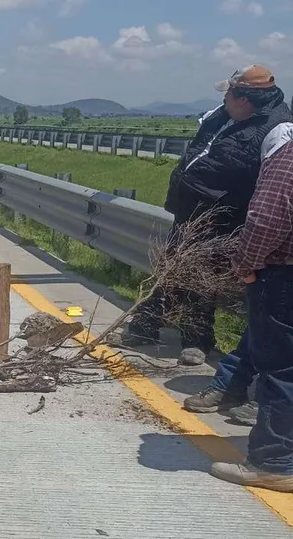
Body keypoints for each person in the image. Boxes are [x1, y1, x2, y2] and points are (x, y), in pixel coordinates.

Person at [121, 65, 290, 411]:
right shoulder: (224, 116)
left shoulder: (274, 129)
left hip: (224, 218)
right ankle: (151, 325)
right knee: (173, 269)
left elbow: (268, 197)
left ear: (245, 99)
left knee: (202, 280)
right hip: (193, 210)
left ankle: (199, 342)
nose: (223, 98)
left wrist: (247, 253)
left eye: (229, 93)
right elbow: (200, 153)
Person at [210, 120, 293, 492]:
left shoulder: (287, 153)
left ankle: (273, 463)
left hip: (284, 277)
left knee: (282, 369)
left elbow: (266, 219)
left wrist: (244, 265)